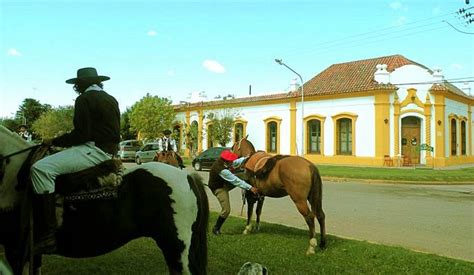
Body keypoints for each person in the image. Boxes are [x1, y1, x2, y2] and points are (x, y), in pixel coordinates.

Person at [30, 67, 121, 254]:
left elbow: (81, 134)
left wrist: (53, 141)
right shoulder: (111, 99)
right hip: (107, 149)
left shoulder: (84, 99)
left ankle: (48, 234)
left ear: (80, 85)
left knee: (40, 169)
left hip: (93, 149)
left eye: (77, 85)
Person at [208, 150, 258, 235]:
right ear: (226, 161)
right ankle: (216, 228)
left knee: (244, 175)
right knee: (226, 210)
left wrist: (246, 157)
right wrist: (250, 188)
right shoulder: (221, 169)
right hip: (219, 188)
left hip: (224, 183)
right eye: (230, 160)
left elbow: (236, 162)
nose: (232, 162)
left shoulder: (225, 162)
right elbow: (235, 181)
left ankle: (251, 193)